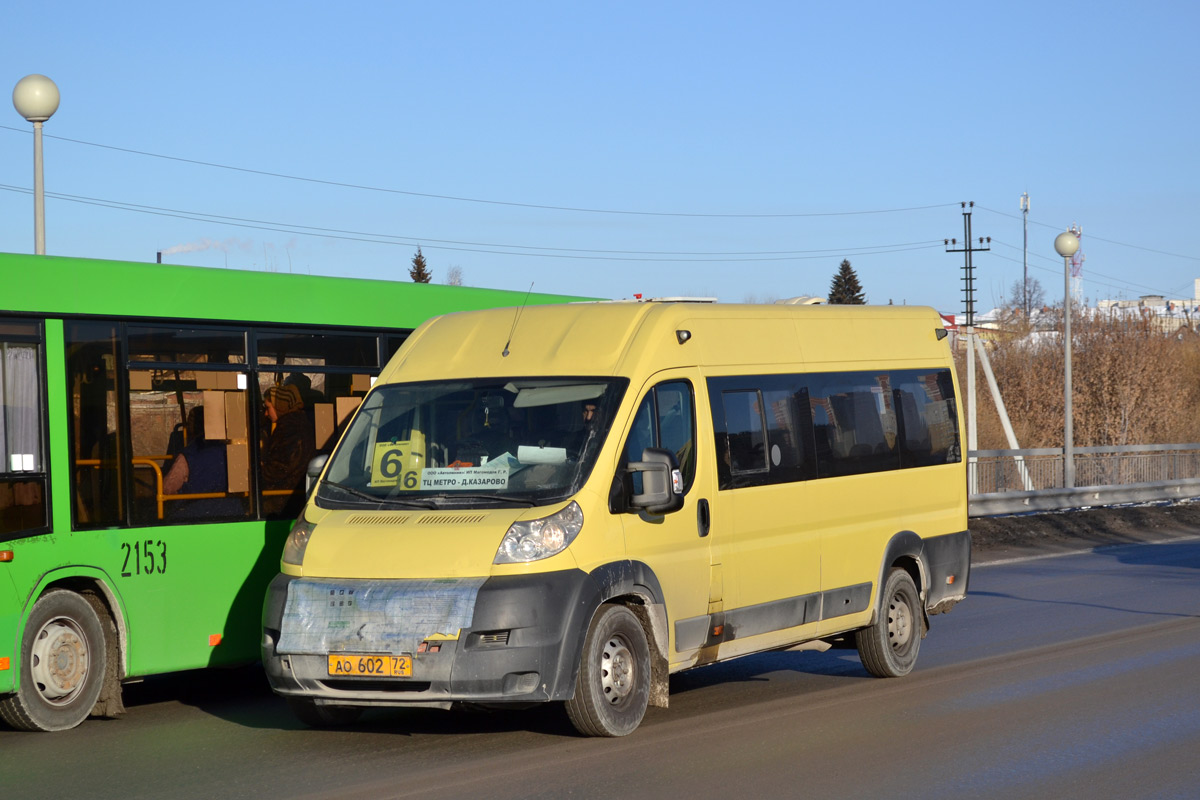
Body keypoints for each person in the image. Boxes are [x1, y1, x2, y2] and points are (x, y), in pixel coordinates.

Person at [163, 407, 239, 520]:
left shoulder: (189, 454)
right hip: (233, 512)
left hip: (193, 514)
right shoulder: (231, 450)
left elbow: (167, 489)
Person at [261, 384, 315, 516]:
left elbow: (281, 467)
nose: (266, 413)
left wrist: (258, 473)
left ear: (280, 406)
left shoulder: (290, 429)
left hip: (284, 499)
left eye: (268, 408)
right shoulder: (296, 424)